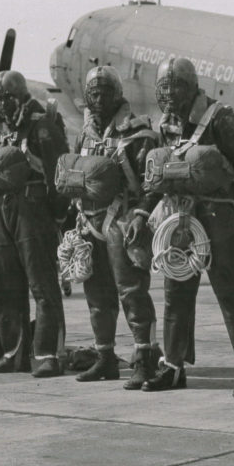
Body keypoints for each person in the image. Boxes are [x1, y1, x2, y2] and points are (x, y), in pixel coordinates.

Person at [141, 57, 234, 397]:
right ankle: (173, 365)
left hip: (216, 216)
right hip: (179, 217)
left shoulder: (221, 121)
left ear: (193, 87)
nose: (169, 95)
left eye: (176, 87)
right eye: (163, 88)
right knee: (175, 289)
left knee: (231, 290)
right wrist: (143, 213)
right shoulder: (166, 124)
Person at [67, 66, 160, 386]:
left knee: (133, 293)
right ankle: (105, 357)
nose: (98, 98)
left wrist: (141, 216)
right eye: (92, 92)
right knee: (97, 295)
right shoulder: (84, 134)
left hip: (123, 222)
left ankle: (145, 360)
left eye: (105, 91)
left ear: (118, 94)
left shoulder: (139, 135)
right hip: (89, 223)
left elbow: (152, 184)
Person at [0, 70, 70, 378]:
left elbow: (58, 175)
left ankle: (49, 354)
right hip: (1, 210)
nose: (1, 105)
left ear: (20, 97)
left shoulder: (41, 124)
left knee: (42, 285)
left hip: (33, 211)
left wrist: (57, 218)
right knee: (4, 286)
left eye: (6, 98)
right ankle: (13, 353)